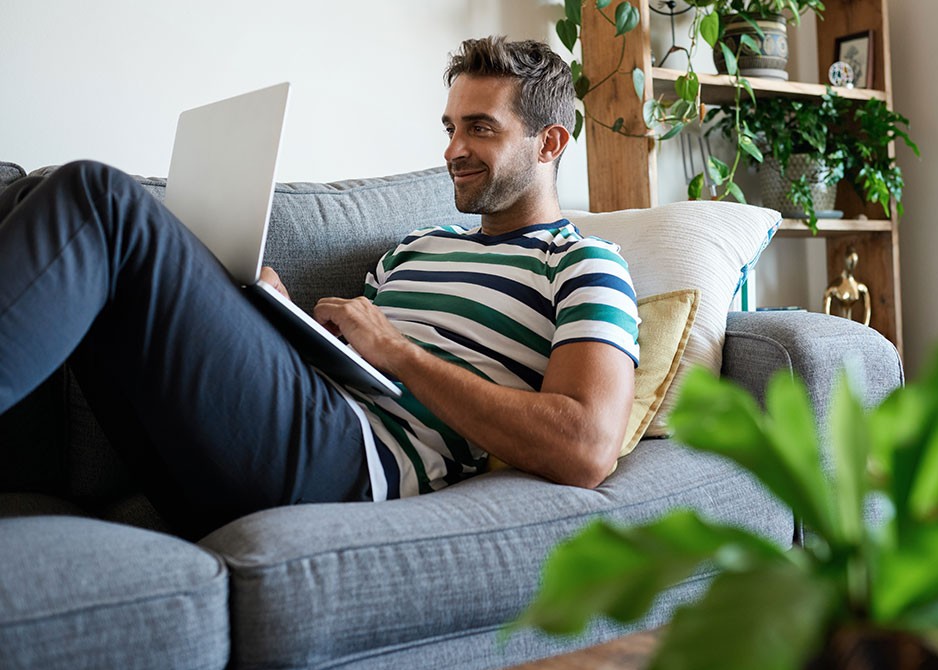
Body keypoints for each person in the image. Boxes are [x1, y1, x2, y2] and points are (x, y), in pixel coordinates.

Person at [0, 36, 639, 539]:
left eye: (481, 128)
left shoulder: (584, 263)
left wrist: (401, 353)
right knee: (37, 196)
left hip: (352, 465)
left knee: (99, 197)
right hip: (278, 433)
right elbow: (350, 369)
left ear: (549, 142)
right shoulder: (415, 247)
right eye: (449, 128)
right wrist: (272, 317)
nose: (454, 149)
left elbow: (585, 448)